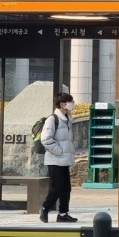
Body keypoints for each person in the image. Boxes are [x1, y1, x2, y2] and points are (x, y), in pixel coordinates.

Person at [40, 93, 78, 223]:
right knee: (56, 187)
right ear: (62, 104)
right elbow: (45, 139)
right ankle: (45, 208)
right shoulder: (52, 119)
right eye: (70, 102)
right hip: (55, 159)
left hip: (64, 160)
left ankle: (63, 214)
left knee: (66, 188)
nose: (72, 104)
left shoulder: (67, 119)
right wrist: (59, 151)